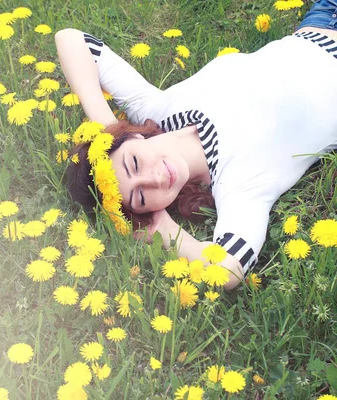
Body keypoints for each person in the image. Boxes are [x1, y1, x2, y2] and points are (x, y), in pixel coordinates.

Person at [55, 0, 337, 289]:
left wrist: (108, 130)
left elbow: (71, 39)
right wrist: (167, 232)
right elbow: (228, 270)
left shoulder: (155, 108)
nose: (154, 178)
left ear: (132, 136)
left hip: (323, 20)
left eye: (134, 163)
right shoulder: (239, 187)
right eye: (140, 197)